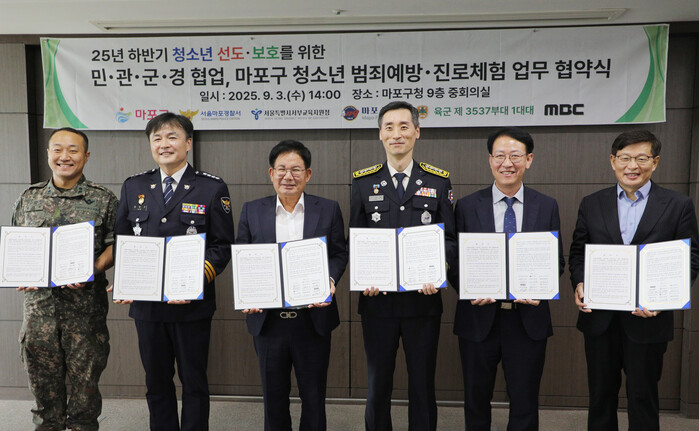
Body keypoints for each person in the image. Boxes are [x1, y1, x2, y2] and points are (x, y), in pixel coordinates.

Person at [568, 130, 699, 431]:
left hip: (649, 319)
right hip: (600, 319)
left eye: (641, 158)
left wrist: (667, 298)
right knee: (600, 396)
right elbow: (578, 253)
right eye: (625, 158)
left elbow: (690, 257)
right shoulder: (592, 203)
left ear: (655, 162)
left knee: (643, 397)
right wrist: (579, 282)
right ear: (612, 161)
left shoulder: (678, 204)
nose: (632, 166)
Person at [113, 113, 234, 431]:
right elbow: (123, 239)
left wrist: (194, 280)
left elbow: (222, 246)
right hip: (148, 307)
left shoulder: (211, 187)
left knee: (194, 382)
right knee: (156, 382)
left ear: (188, 143)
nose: (164, 144)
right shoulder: (134, 186)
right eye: (157, 138)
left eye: (172, 137)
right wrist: (125, 280)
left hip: (191, 307)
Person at [349, 101, 457, 431]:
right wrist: (363, 276)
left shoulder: (438, 180)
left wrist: (438, 272)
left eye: (404, 126)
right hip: (377, 302)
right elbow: (356, 238)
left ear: (417, 132)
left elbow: (449, 238)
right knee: (378, 383)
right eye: (389, 127)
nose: (397, 134)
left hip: (423, 301)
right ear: (380, 135)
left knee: (422, 383)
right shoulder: (363, 181)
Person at [451, 127, 564, 431]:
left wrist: (542, 289)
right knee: (476, 398)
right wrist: (468, 288)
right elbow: (455, 260)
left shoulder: (546, 205)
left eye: (515, 156)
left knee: (525, 399)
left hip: (527, 318)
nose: (507, 163)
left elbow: (556, 260)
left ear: (529, 159)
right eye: (500, 156)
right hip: (478, 316)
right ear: (490, 160)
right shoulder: (466, 205)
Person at [236, 139, 348, 431]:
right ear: (271, 173)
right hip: (268, 322)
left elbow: (339, 253)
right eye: (282, 169)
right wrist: (248, 293)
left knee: (314, 397)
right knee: (273, 398)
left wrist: (330, 280)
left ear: (308, 174)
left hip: (312, 320)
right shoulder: (252, 210)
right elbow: (242, 256)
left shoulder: (328, 209)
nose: (288, 176)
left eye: (296, 169)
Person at [13, 128, 118, 431]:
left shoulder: (103, 199)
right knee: (44, 393)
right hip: (39, 313)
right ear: (48, 154)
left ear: (86, 156)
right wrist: (21, 270)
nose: (65, 156)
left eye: (73, 150)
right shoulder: (29, 198)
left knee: (85, 394)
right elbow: (18, 243)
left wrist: (93, 267)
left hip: (85, 314)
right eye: (57, 149)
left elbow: (117, 244)